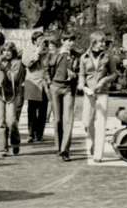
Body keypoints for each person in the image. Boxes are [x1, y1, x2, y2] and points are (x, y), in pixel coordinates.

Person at [78, 31, 117, 162]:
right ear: (94, 42)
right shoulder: (84, 57)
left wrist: (104, 81)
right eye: (101, 42)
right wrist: (82, 85)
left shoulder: (108, 56)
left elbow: (114, 74)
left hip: (102, 92)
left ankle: (98, 154)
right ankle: (94, 142)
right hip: (89, 93)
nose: (103, 44)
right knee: (87, 122)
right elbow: (82, 74)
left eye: (104, 41)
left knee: (101, 122)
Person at [47, 31, 80, 161]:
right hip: (55, 87)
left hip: (68, 88)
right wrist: (49, 83)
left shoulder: (76, 56)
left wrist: (75, 76)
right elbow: (46, 69)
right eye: (68, 41)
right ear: (62, 41)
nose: (70, 44)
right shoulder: (54, 54)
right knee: (58, 120)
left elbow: (80, 71)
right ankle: (59, 146)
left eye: (72, 41)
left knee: (68, 119)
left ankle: (65, 150)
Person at [0, 42, 26, 157]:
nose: (6, 53)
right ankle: (2, 148)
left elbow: (15, 78)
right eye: (4, 51)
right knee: (0, 122)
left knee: (11, 121)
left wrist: (6, 69)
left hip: (11, 94)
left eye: (9, 51)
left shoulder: (17, 63)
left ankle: (15, 141)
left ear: (13, 52)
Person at [22, 31, 51, 143]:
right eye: (40, 39)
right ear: (34, 41)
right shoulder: (28, 50)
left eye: (43, 38)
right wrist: (36, 53)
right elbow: (26, 63)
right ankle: (30, 134)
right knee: (32, 110)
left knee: (43, 110)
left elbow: (47, 67)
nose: (42, 41)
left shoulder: (47, 52)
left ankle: (40, 134)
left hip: (44, 83)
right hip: (33, 83)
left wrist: (49, 81)